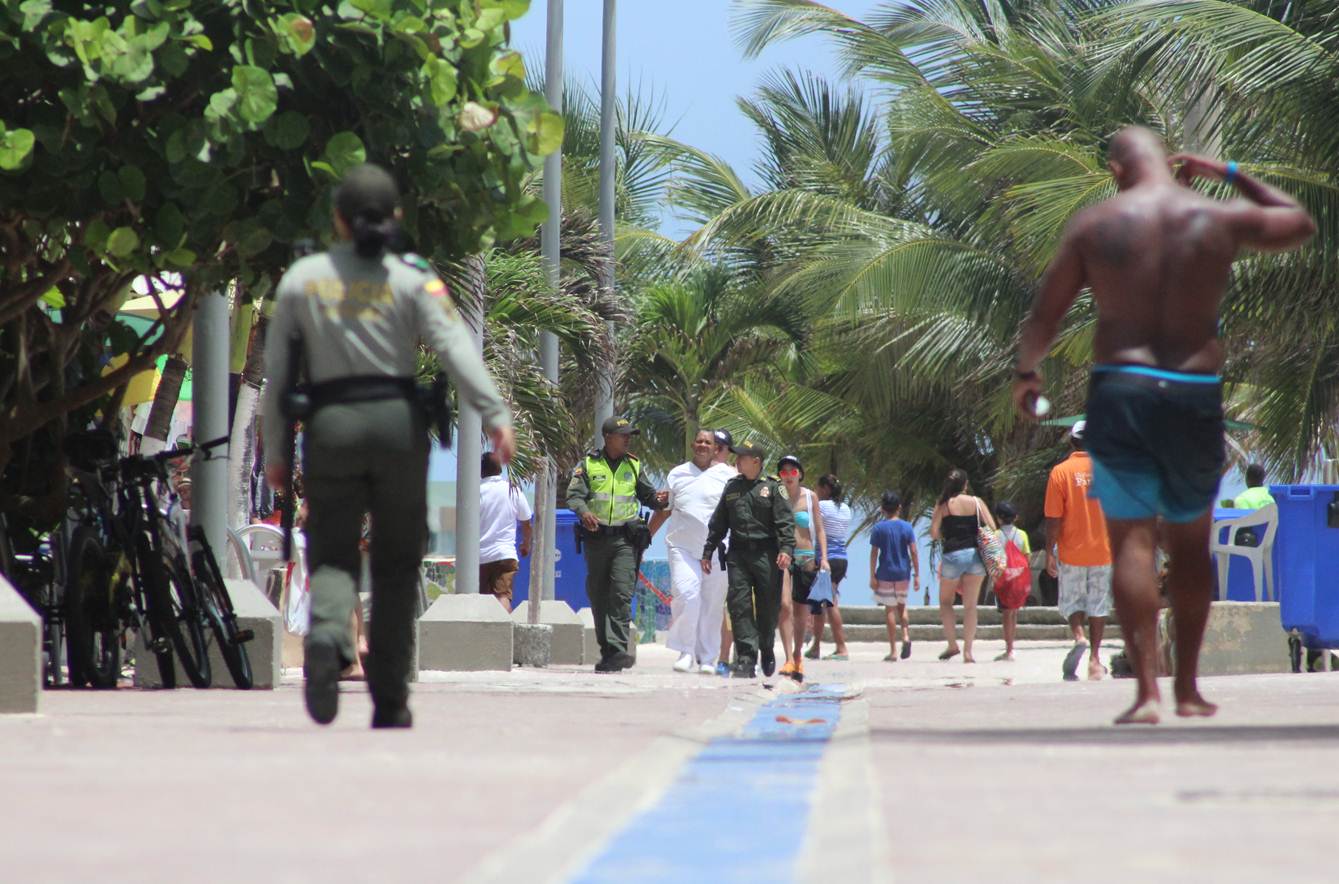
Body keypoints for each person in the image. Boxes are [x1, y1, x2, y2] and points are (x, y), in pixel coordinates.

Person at [1013, 126, 1314, 724]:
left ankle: (1147, 691)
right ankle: (1189, 689)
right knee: (1190, 540)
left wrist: (1029, 374)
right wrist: (1226, 171)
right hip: (1193, 392)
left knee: (1131, 541)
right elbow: (1296, 220)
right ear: (1173, 165)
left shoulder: (1097, 224)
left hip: (1120, 390)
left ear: (1117, 170)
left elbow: (1043, 314)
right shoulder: (1212, 216)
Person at [263, 163, 515, 729]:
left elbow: (277, 377)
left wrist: (277, 451)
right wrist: (495, 415)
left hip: (330, 426)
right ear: (396, 216)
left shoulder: (303, 278)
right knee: (399, 563)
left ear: (338, 219)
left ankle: (328, 638)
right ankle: (390, 696)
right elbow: (454, 346)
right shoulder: (414, 276)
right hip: (398, 426)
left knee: (332, 547)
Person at [566, 416, 668, 673]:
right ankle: (608, 653)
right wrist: (584, 512)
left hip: (625, 540)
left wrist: (659, 499)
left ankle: (619, 648)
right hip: (597, 538)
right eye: (623, 435)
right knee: (599, 596)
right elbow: (574, 496)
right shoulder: (588, 465)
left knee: (621, 594)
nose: (627, 439)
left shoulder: (633, 466)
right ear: (608, 438)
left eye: (629, 436)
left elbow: (648, 496)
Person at [702, 440, 795, 678]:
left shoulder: (774, 487)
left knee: (768, 606)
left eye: (742, 457)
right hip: (738, 554)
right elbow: (719, 522)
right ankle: (746, 657)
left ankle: (766, 646)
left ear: (756, 461)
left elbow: (785, 522)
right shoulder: (732, 487)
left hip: (767, 555)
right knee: (739, 605)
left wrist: (786, 549)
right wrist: (708, 550)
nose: (737, 460)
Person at [648, 429, 735, 674]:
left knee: (713, 603)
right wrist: (646, 537)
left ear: (715, 448)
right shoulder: (677, 473)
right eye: (699, 441)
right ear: (692, 444)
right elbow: (665, 509)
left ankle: (707, 658)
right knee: (687, 594)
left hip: (718, 549)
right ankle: (685, 651)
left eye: (708, 442)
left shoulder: (728, 476)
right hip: (682, 546)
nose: (703, 445)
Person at [1043, 422, 1113, 683]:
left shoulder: (1060, 472)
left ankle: (1078, 636)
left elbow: (1053, 518)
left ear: (1072, 442)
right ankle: (1095, 661)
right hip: (1103, 550)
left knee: (1072, 601)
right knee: (1098, 604)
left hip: (1072, 551)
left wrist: (1050, 550)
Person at [930, 469, 994, 663]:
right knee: (970, 606)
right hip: (975, 556)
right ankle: (968, 652)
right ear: (965, 484)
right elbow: (991, 527)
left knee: (946, 602)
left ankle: (952, 645)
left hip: (953, 555)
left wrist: (947, 535)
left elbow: (933, 533)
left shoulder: (943, 504)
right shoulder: (976, 502)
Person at [776, 455, 827, 682]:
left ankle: (797, 655)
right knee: (784, 606)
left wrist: (823, 557)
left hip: (806, 557)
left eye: (792, 471)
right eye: (783, 472)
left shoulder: (810, 497)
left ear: (800, 474)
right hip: (783, 557)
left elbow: (819, 528)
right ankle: (788, 657)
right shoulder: (776, 496)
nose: (788, 476)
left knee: (800, 612)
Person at [479, 451, 533, 613]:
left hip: (479, 556)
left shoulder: (475, 491)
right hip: (505, 554)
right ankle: (505, 635)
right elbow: (526, 521)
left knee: (481, 601)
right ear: (500, 469)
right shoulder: (512, 489)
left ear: (481, 470)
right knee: (502, 596)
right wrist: (526, 543)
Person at [870, 491, 918, 661]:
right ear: (899, 507)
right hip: (903, 572)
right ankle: (906, 636)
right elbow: (913, 551)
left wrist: (872, 576)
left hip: (885, 572)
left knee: (889, 609)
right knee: (902, 606)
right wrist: (917, 574)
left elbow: (874, 553)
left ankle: (893, 651)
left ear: (883, 509)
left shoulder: (878, 528)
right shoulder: (907, 527)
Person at [808, 474, 851, 661]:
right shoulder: (846, 509)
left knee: (830, 602)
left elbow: (813, 527)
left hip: (827, 559)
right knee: (820, 603)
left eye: (818, 487)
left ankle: (841, 648)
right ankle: (816, 647)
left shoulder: (822, 506)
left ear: (825, 488)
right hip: (842, 558)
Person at [711, 429, 737, 676]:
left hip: (727, 549)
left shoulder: (735, 477)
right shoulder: (693, 473)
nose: (716, 449)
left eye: (721, 446)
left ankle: (724, 657)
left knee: (728, 605)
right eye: (713, 444)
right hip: (698, 547)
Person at [994, 501, 1031, 662]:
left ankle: (1008, 649)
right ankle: (1012, 647)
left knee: (1006, 614)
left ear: (999, 518)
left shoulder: (995, 535)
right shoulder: (1022, 534)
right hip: (1019, 578)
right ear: (1015, 517)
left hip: (1003, 579)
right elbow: (1027, 556)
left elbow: (993, 558)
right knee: (1014, 612)